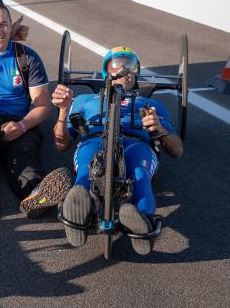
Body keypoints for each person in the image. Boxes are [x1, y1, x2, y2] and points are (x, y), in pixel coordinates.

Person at [52, 46, 183, 255]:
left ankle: (141, 219)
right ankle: (79, 211)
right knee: (86, 175)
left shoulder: (151, 104)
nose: (123, 69)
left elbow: (177, 151)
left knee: (140, 176)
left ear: (136, 71)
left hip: (137, 145)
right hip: (93, 142)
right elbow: (61, 144)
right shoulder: (84, 101)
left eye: (129, 64)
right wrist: (63, 111)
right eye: (116, 64)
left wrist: (159, 127)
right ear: (106, 72)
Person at [0, 3, 72, 218]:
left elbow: (43, 106)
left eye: (3, 25)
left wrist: (22, 125)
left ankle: (35, 195)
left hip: (19, 119)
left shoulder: (27, 57)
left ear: (10, 26)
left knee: (24, 153)